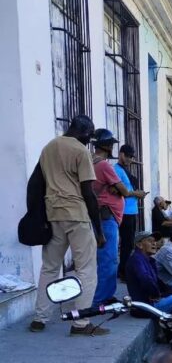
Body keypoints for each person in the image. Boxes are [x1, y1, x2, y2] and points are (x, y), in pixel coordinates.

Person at [30, 115, 109, 336]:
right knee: (86, 269)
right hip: (76, 214)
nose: (89, 141)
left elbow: (37, 182)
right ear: (83, 132)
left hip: (53, 214)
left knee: (50, 267)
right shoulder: (80, 151)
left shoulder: (48, 147)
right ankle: (81, 323)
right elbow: (88, 193)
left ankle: (40, 318)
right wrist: (99, 231)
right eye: (89, 136)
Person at [90, 128, 128, 307]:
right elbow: (124, 190)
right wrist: (117, 189)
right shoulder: (104, 165)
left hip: (102, 215)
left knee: (105, 258)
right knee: (108, 259)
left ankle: (105, 295)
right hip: (107, 216)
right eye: (111, 144)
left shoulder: (92, 162)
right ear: (105, 145)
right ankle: (100, 300)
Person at [126, 231, 172, 314]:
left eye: (155, 241)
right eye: (150, 241)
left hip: (152, 301)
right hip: (146, 306)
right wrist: (155, 294)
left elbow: (161, 285)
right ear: (139, 245)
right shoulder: (137, 259)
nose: (154, 244)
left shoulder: (148, 260)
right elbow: (146, 279)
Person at [114, 144, 148, 280]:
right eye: (128, 156)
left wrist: (138, 193)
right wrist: (136, 193)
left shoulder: (124, 170)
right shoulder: (116, 170)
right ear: (121, 154)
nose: (130, 159)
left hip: (131, 210)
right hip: (124, 211)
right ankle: (123, 272)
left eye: (132, 157)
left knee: (129, 244)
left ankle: (124, 270)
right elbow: (118, 191)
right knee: (126, 244)